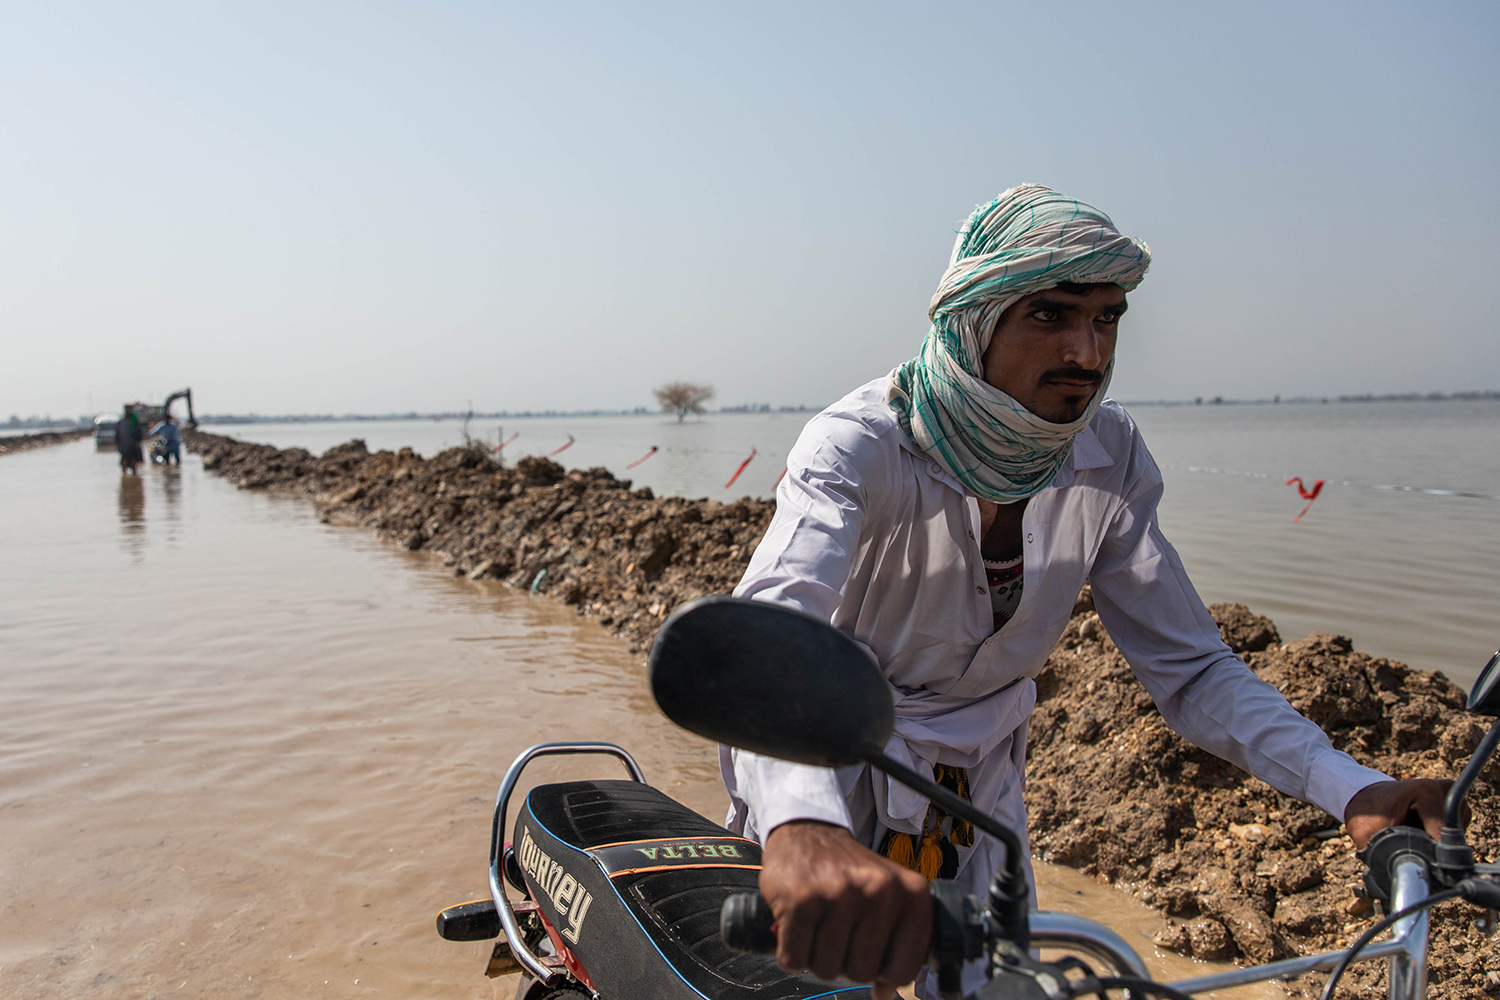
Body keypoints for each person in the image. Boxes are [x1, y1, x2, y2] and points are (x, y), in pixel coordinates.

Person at [722, 184, 1452, 999]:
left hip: (976, 796)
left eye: (1107, 318)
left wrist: (1350, 785)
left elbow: (1194, 671)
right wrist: (802, 826)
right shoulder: (859, 445)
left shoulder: (1107, 453)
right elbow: (768, 636)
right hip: (823, 764)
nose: (1087, 353)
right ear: (974, 319)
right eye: (1051, 316)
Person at [115, 406, 143, 475]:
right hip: (124, 446)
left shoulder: (135, 422)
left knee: (133, 463)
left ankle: (134, 477)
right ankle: (124, 477)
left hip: (133, 446)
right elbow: (117, 435)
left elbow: (139, 434)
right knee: (123, 464)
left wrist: (137, 443)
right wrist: (118, 445)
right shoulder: (121, 422)